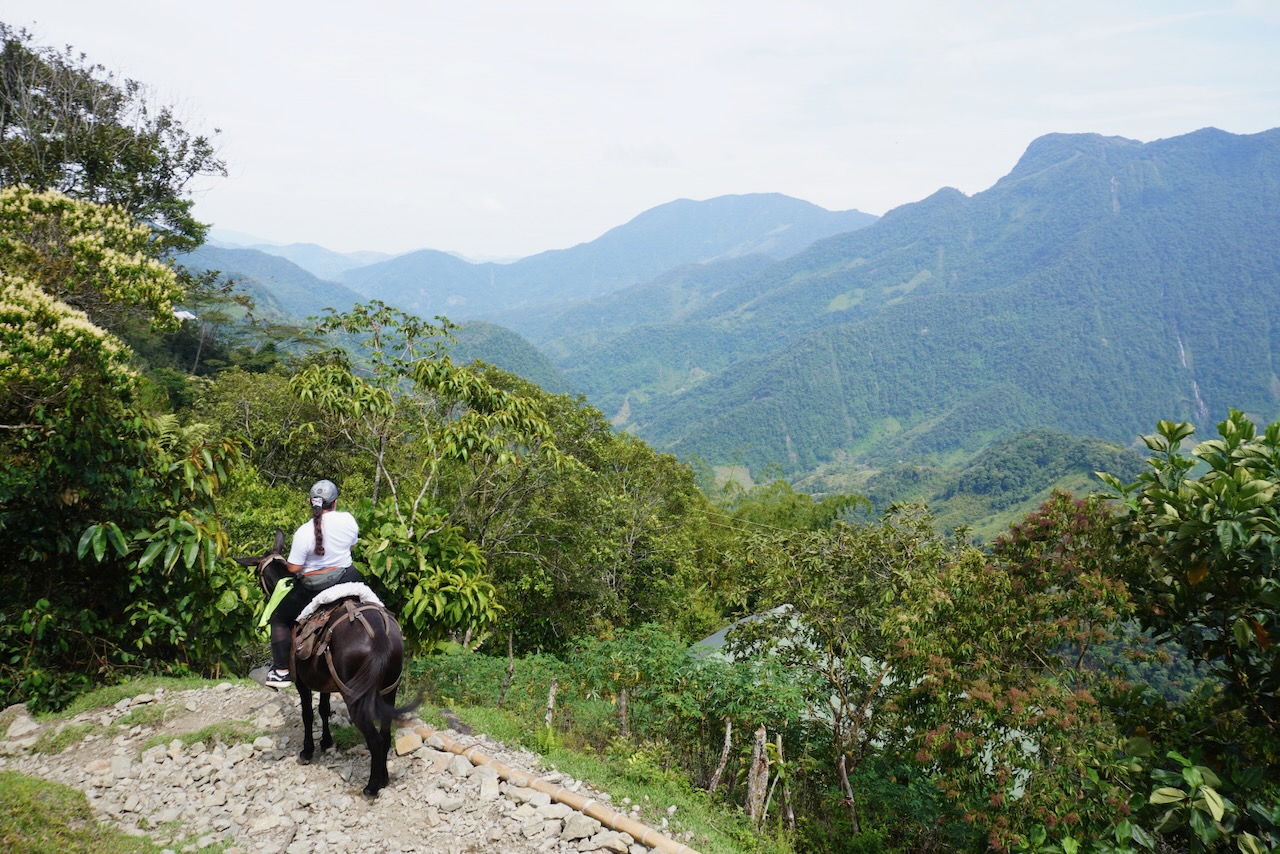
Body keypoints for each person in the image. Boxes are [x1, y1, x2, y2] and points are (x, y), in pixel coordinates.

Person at [265, 479, 363, 689]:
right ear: (335, 502)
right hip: (348, 578)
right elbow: (352, 546)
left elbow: (292, 569)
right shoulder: (348, 520)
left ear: (310, 501)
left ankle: (281, 671)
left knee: (279, 618)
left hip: (315, 588)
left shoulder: (303, 532)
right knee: (373, 604)